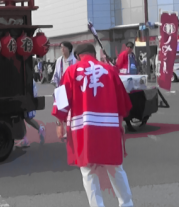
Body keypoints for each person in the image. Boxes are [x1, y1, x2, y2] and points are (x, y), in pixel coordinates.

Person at [52, 43, 134, 207]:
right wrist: (120, 123)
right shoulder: (109, 71)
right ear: (93, 54)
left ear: (78, 56)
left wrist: (59, 124)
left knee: (88, 171)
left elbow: (61, 101)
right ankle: (126, 203)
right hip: (108, 128)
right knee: (115, 168)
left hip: (83, 129)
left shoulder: (72, 71)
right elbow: (123, 103)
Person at [14, 79, 45, 148]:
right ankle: (26, 138)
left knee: (25, 118)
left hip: (27, 95)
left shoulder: (25, 75)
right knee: (24, 118)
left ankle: (26, 139)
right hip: (27, 94)